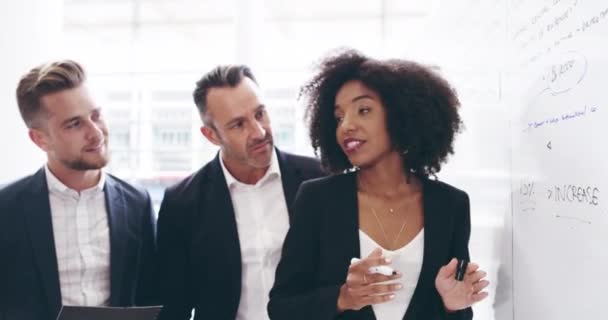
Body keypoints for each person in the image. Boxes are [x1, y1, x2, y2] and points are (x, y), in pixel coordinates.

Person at [267, 49, 489, 320]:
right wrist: (343, 298)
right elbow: (282, 308)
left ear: (402, 116)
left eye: (363, 110)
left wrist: (452, 305)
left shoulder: (450, 205)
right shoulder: (317, 200)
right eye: (339, 117)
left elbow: (455, 314)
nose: (346, 125)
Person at [156, 64, 325, 320]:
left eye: (260, 114)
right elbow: (173, 307)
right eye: (238, 125)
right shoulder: (182, 203)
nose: (258, 132)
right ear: (211, 135)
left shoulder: (318, 178)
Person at [0, 60, 157, 320]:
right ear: (40, 139)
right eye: (74, 124)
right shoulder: (6, 209)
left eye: (96, 115)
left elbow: (150, 292)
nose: (96, 134)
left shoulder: (137, 203)